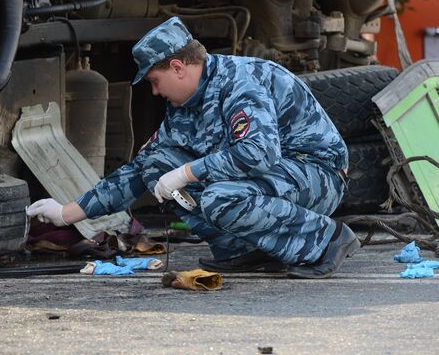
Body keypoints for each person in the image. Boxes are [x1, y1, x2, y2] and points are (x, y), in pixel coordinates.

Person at [26, 17, 359, 279]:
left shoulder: (239, 83)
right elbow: (137, 171)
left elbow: (260, 152)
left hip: (317, 174)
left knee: (219, 196)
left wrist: (187, 172)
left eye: (155, 81)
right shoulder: (184, 106)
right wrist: (66, 212)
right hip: (275, 176)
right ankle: (239, 249)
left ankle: (325, 241)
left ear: (177, 67)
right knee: (155, 164)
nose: (154, 92)